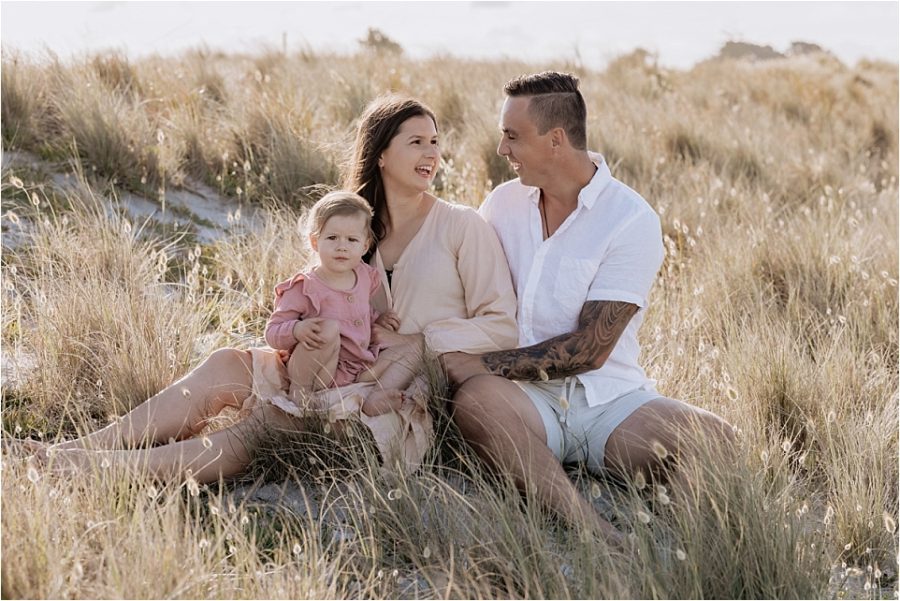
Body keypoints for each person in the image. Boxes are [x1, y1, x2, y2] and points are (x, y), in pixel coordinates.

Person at [29, 95, 519, 479]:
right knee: (226, 362)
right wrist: (301, 330)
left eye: (435, 141)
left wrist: (423, 341)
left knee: (266, 425)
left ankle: (97, 471)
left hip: (392, 395)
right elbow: (311, 297)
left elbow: (502, 327)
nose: (431, 153)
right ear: (382, 154)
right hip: (328, 369)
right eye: (416, 142)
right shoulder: (351, 227)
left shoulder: (462, 226)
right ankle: (73, 448)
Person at [441, 72, 736, 546]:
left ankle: (688, 555)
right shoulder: (501, 204)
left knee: (718, 440)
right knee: (475, 401)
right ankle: (595, 533)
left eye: (512, 136)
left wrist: (480, 363)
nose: (501, 149)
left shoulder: (630, 219)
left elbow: (590, 349)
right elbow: (465, 286)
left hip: (609, 400)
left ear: (556, 140)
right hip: (522, 397)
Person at [265, 190, 415, 418]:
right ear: (315, 242)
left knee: (413, 349)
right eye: (332, 238)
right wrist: (296, 329)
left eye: (351, 240)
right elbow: (272, 332)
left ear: (364, 246)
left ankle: (377, 396)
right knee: (328, 328)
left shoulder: (364, 276)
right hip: (319, 370)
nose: (342, 246)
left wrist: (377, 319)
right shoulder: (305, 287)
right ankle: (301, 395)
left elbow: (357, 313)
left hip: (359, 367)